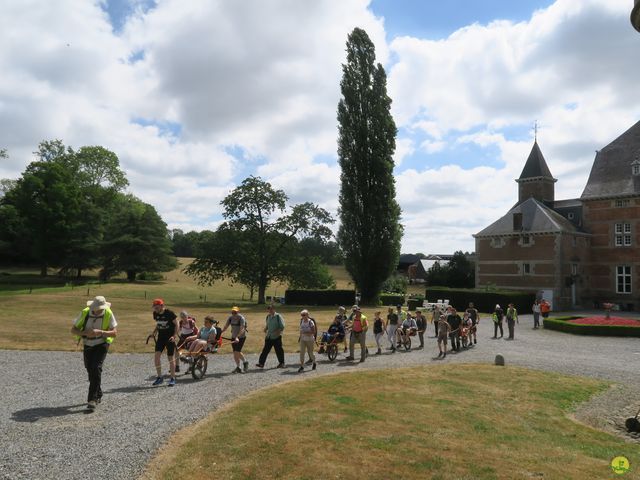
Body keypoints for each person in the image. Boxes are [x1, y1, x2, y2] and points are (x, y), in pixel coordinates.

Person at [71, 296, 117, 411]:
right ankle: (98, 392)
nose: (102, 310)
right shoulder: (85, 312)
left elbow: (114, 333)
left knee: (96, 368)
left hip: (102, 344)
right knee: (90, 369)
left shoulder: (108, 313)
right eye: (99, 308)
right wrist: (85, 333)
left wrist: (101, 332)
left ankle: (92, 399)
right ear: (93, 308)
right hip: (88, 344)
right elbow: (73, 330)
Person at [151, 298, 179, 386]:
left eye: (157, 306)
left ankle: (172, 378)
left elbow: (177, 324)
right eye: (154, 306)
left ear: (162, 306)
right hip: (161, 338)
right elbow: (159, 323)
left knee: (170, 358)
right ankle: (159, 377)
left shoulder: (169, 313)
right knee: (156, 357)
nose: (155, 308)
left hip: (169, 338)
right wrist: (154, 332)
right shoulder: (155, 313)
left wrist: (174, 336)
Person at [220, 306, 249, 373]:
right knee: (235, 353)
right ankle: (238, 367)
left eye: (235, 312)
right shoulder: (230, 318)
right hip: (233, 337)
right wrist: (220, 333)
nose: (233, 313)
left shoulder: (241, 318)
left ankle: (245, 362)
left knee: (237, 352)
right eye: (232, 312)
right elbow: (225, 326)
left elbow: (242, 329)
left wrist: (237, 337)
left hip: (241, 337)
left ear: (238, 312)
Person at [256, 304, 286, 369]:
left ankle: (282, 363)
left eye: (271, 309)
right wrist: (265, 329)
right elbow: (268, 325)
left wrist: (277, 332)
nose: (270, 310)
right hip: (269, 337)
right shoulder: (268, 316)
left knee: (279, 350)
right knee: (265, 350)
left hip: (277, 337)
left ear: (274, 309)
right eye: (269, 309)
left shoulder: (278, 316)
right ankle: (261, 363)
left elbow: (282, 326)